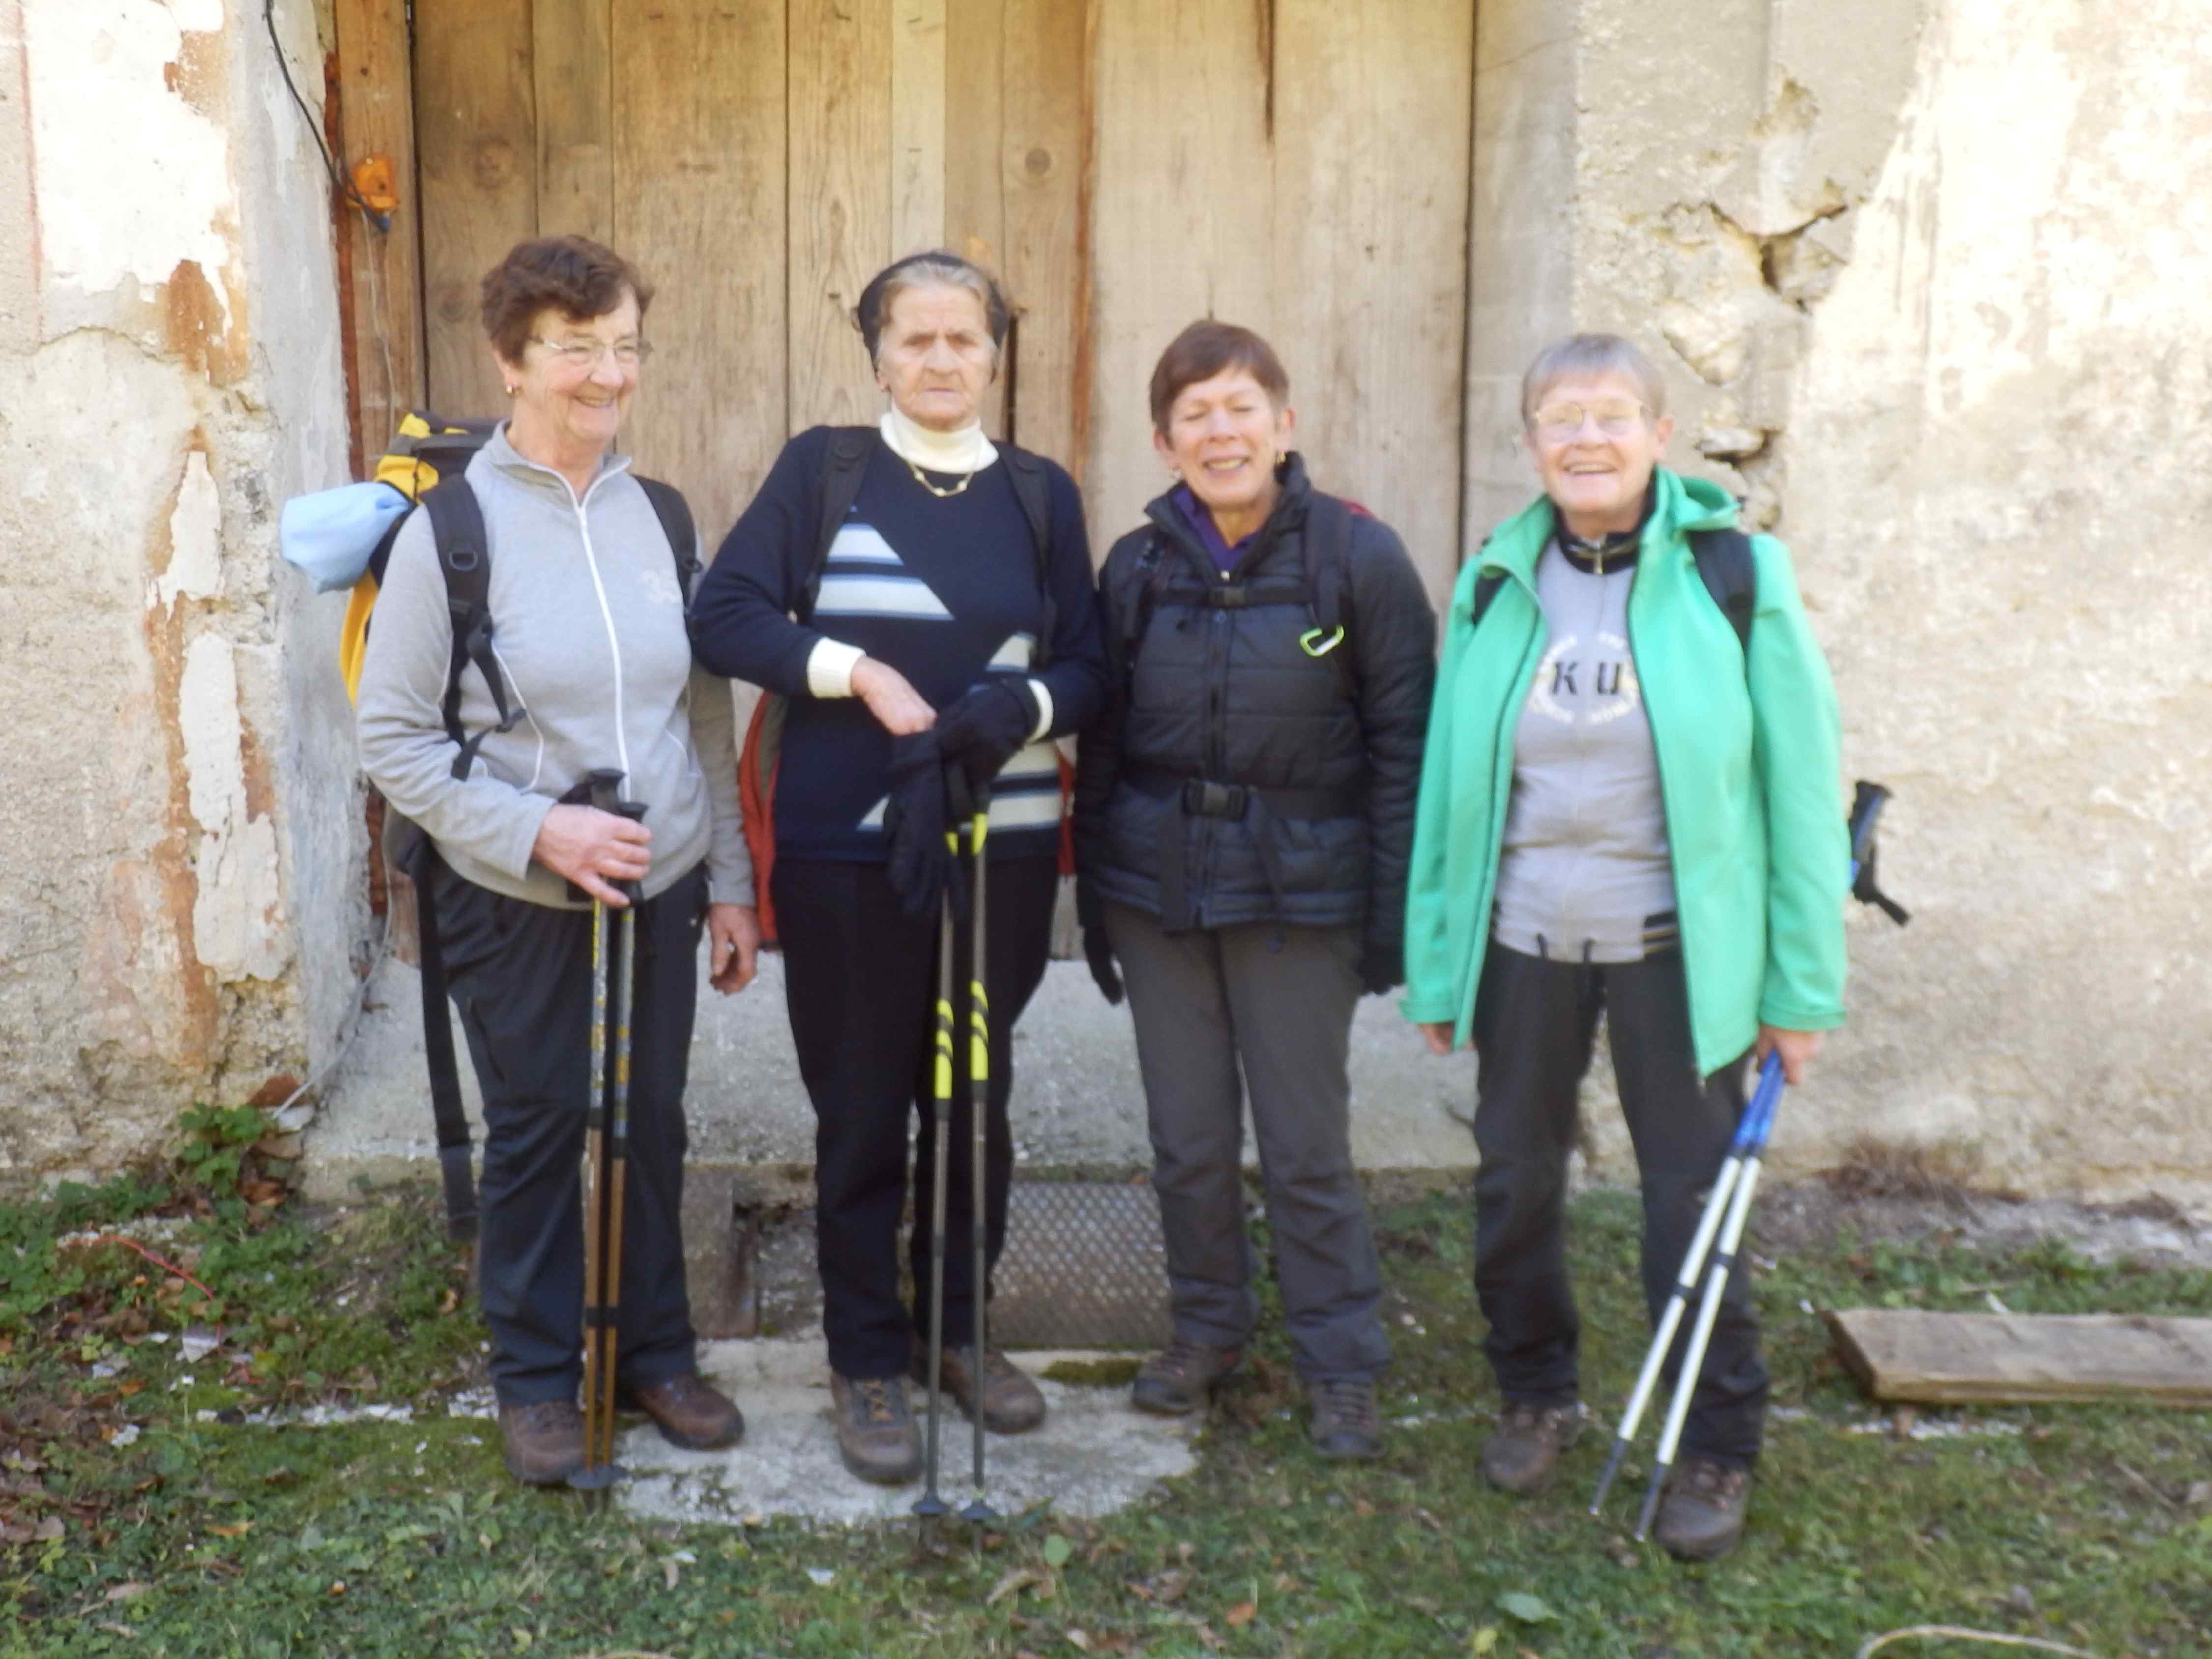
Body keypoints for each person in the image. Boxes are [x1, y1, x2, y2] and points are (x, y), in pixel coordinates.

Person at [1401, 332, 1848, 1559]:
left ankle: (1717, 1438)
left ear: (1660, 435)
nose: (1587, 438)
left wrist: (1800, 990)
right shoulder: (1496, 580)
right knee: (1514, 1181)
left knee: (1687, 1200)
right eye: (1562, 417)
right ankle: (1533, 1388)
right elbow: (1450, 787)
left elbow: (1804, 796)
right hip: (1524, 943)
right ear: (1531, 441)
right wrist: (1438, 959)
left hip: (1677, 955)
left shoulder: (1735, 575)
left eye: (1612, 415)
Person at [687, 252, 1109, 1485]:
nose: (938, 359)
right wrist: (858, 673)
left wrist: (1022, 704)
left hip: (1000, 850)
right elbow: (726, 615)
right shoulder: (824, 472)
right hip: (844, 854)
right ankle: (866, 1353)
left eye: (962, 338)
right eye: (913, 338)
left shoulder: (1039, 494)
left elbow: (1090, 665)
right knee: (865, 1104)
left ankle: (955, 1329)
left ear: (995, 355)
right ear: (877, 355)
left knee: (972, 1098)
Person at [356, 235, 759, 1486]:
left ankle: (653, 1352)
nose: (608, 374)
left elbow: (701, 715)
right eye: (577, 348)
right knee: (537, 1128)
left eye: (625, 346)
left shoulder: (661, 514)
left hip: (661, 880)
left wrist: (730, 880)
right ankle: (535, 1376)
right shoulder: (451, 532)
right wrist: (540, 829)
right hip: (517, 890)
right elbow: (392, 738)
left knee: (649, 1123)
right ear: (511, 360)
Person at [1073, 321, 1436, 1460]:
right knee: (1186, 1137)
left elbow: (1405, 748)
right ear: (1164, 440)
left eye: (1241, 408)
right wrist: (1096, 899)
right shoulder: (1136, 569)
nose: (1220, 432)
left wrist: (1389, 920)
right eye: (1196, 414)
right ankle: (1207, 1328)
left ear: (1284, 423)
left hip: (1300, 898)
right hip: (1162, 894)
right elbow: (1106, 741)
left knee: (1303, 1142)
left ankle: (1341, 1360)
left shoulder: (1357, 558)